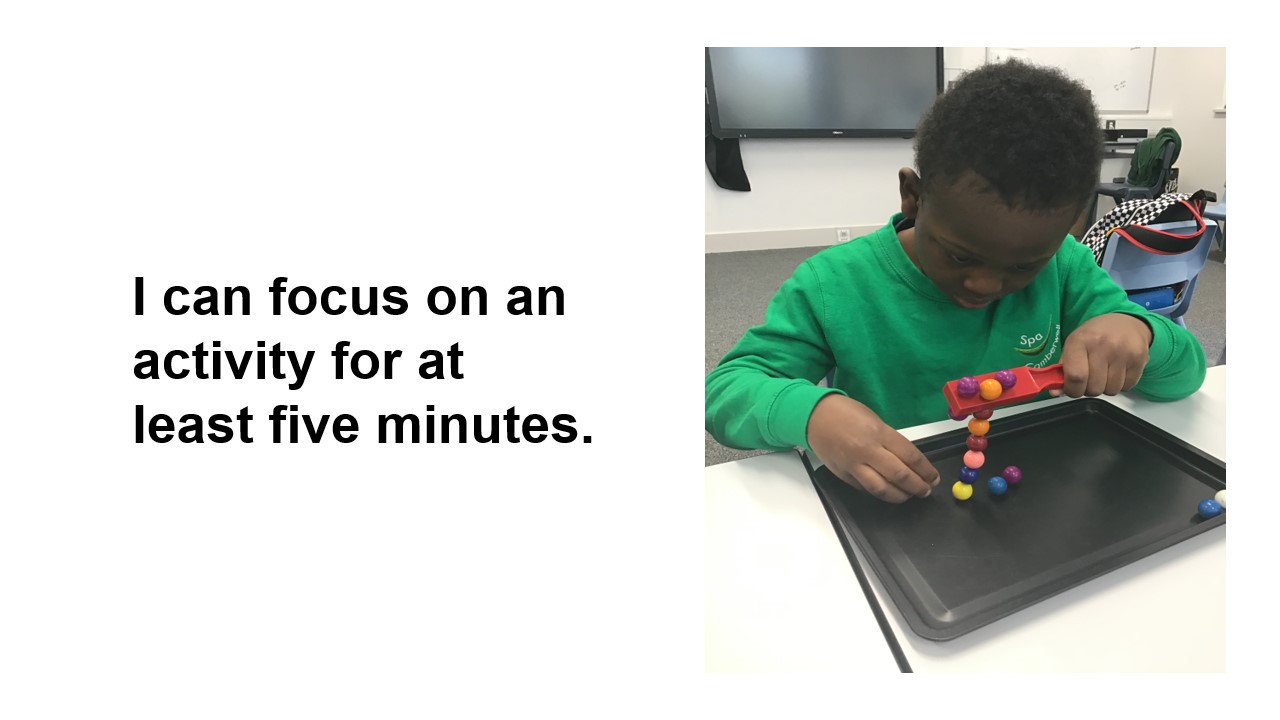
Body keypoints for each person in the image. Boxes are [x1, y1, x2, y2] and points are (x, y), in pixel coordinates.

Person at [704, 60, 1206, 504]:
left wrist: (1139, 332)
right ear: (913, 196)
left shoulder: (1065, 266)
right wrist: (814, 415)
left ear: (1070, 228)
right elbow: (725, 391)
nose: (985, 284)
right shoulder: (832, 284)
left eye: (1022, 265)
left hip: (1033, 496)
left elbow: (1185, 376)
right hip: (898, 503)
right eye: (961, 254)